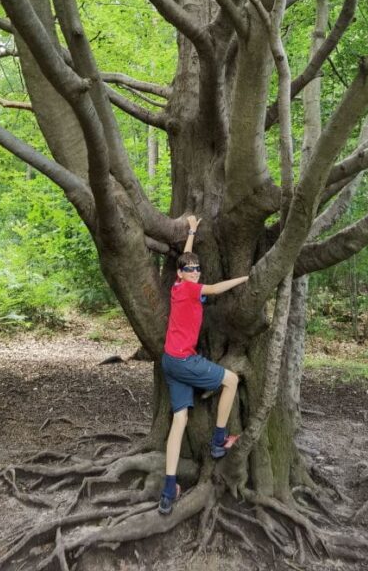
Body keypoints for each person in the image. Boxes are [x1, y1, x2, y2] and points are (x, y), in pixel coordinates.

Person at [158, 214, 249, 515]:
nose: (195, 272)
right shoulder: (190, 289)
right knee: (231, 381)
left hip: (170, 362)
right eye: (189, 269)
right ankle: (218, 440)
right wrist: (246, 278)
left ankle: (169, 488)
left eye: (197, 268)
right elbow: (216, 288)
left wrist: (192, 232)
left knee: (180, 420)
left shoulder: (176, 287)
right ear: (181, 274)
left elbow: (186, 258)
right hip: (184, 360)